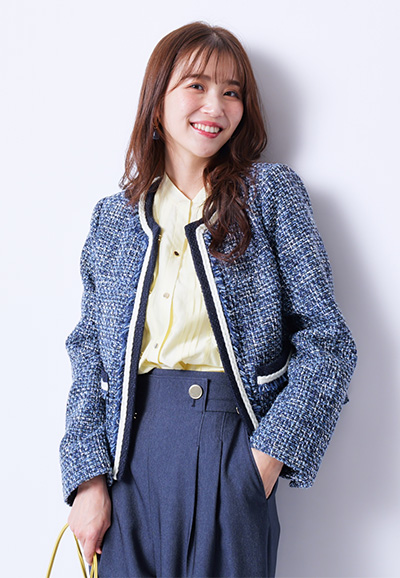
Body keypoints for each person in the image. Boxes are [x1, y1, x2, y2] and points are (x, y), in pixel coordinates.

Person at [60, 21, 357, 578]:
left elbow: (329, 341)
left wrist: (263, 462)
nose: (215, 106)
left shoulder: (270, 196)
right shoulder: (114, 219)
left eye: (232, 91)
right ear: (158, 101)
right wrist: (87, 481)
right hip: (127, 465)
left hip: (231, 451)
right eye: (196, 85)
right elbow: (88, 355)